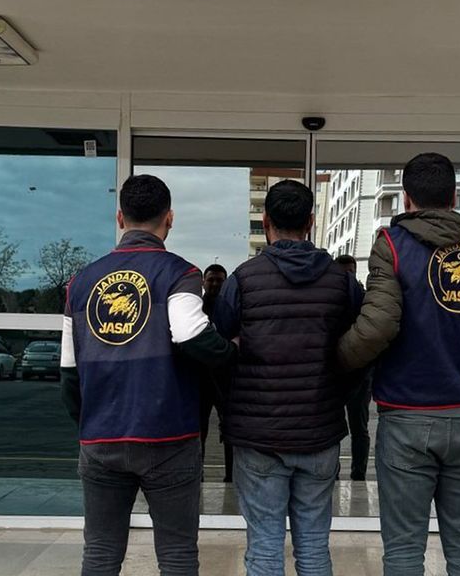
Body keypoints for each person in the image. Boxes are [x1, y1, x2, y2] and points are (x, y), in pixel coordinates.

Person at [337, 153, 460, 576]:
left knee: (404, 553)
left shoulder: (393, 246)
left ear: (406, 199)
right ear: (454, 197)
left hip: (408, 418)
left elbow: (376, 327)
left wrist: (335, 360)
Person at [59, 174, 236, 576]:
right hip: (168, 437)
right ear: (169, 218)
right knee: (176, 554)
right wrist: (233, 352)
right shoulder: (179, 273)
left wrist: (91, 423)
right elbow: (192, 336)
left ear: (120, 218)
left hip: (101, 439)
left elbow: (69, 374)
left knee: (100, 552)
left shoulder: (81, 283)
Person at [212, 180, 364, 576]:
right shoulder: (341, 282)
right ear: (311, 222)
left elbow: (219, 351)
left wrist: (233, 407)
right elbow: (360, 349)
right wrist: (337, 395)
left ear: (265, 222)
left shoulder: (243, 279)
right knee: (313, 548)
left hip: (258, 436)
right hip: (319, 432)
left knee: (264, 548)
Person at [335, 253, 372, 482]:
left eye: (351, 272)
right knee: (335, 427)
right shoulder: (334, 298)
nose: (349, 276)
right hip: (341, 372)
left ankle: (359, 473)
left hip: (359, 373)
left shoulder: (362, 298)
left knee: (359, 426)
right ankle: (337, 472)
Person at [198, 263, 234, 482]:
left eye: (219, 280)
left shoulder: (230, 309)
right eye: (211, 279)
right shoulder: (194, 308)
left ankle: (231, 476)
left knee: (229, 429)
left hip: (225, 379)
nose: (214, 284)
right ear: (203, 281)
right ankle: (198, 474)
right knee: (199, 430)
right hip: (200, 379)